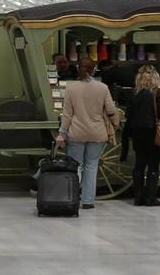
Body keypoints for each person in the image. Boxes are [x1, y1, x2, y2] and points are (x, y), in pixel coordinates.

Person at [57, 60, 118, 210]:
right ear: (94, 69)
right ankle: (88, 201)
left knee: (76, 165)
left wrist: (62, 134)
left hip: (77, 132)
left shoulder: (71, 88)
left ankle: (74, 197)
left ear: (78, 69)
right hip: (97, 132)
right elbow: (111, 109)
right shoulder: (103, 88)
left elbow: (67, 114)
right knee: (92, 165)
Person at [124, 66, 160, 206]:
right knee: (153, 165)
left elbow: (128, 115)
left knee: (139, 164)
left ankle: (138, 197)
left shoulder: (134, 94)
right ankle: (150, 197)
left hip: (137, 132)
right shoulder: (158, 93)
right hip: (154, 132)